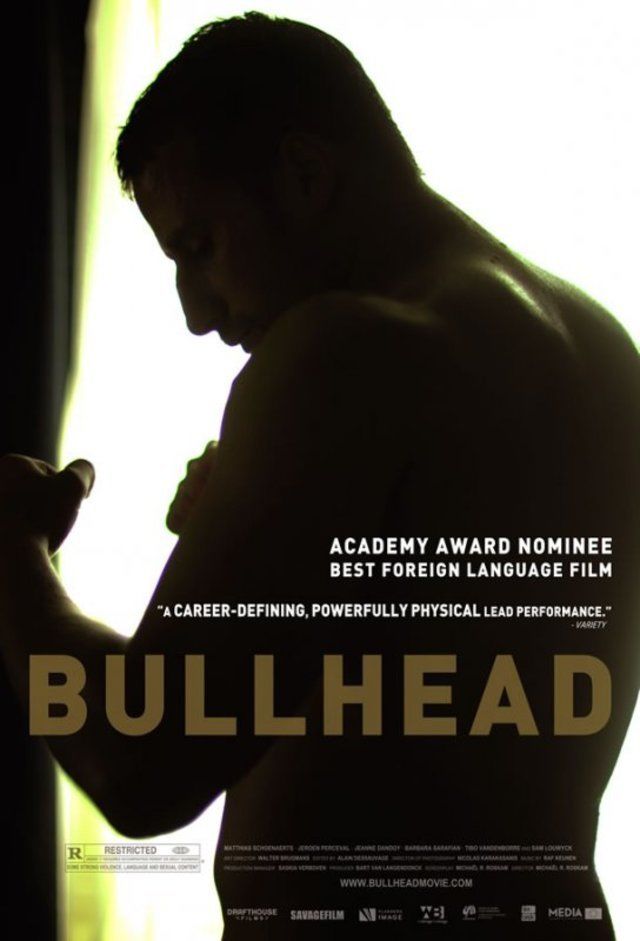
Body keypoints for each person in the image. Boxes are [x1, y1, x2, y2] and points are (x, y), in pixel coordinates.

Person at [1, 12, 639, 939]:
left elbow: (139, 759)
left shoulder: (352, 351)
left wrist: (14, 549)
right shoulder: (599, 347)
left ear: (305, 173)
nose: (196, 312)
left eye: (200, 246)